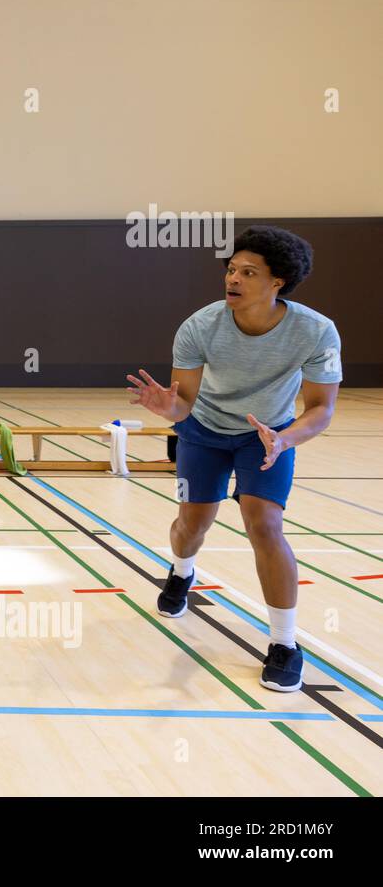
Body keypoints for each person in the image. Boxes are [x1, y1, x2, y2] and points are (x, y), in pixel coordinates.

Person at [127, 226, 341, 692]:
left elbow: (321, 409)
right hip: (202, 431)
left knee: (264, 525)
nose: (234, 279)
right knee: (192, 526)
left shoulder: (315, 330)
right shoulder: (200, 326)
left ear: (277, 282)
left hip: (267, 436)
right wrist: (170, 410)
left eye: (249, 272)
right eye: (231, 270)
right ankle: (182, 573)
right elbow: (182, 401)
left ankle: (285, 644)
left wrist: (285, 441)